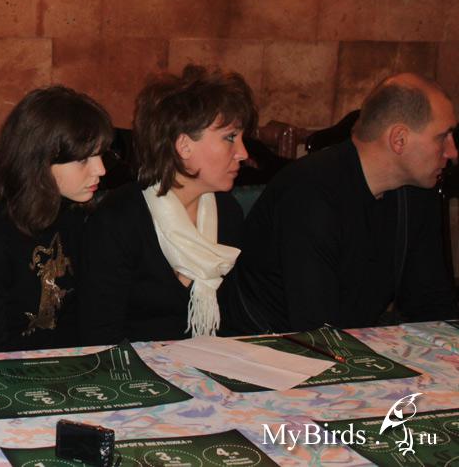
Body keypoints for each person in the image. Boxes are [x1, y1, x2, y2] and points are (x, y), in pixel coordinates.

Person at [225, 73, 459, 333]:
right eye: (443, 137)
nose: (452, 152)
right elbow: (317, 327)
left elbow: (431, 304)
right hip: (265, 345)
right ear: (399, 139)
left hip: (346, 340)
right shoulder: (310, 192)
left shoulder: (415, 191)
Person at [78, 65, 256, 344]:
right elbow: (99, 336)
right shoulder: (119, 219)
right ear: (184, 145)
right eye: (230, 137)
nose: (243, 153)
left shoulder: (228, 213)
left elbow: (234, 323)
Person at [0, 86, 113, 356]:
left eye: (100, 155)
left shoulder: (78, 220)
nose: (100, 169)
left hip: (64, 371)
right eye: (83, 159)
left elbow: (88, 325)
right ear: (39, 162)